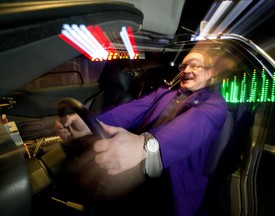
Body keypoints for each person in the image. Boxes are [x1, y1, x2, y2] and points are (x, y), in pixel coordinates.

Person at [55, 49, 228, 216]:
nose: (186, 70)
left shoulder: (214, 103)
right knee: (88, 162)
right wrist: (91, 123)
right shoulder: (163, 94)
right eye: (183, 66)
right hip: (139, 161)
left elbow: (194, 125)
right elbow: (130, 110)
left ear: (209, 73)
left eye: (195, 66)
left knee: (110, 179)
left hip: (173, 178)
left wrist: (145, 146)